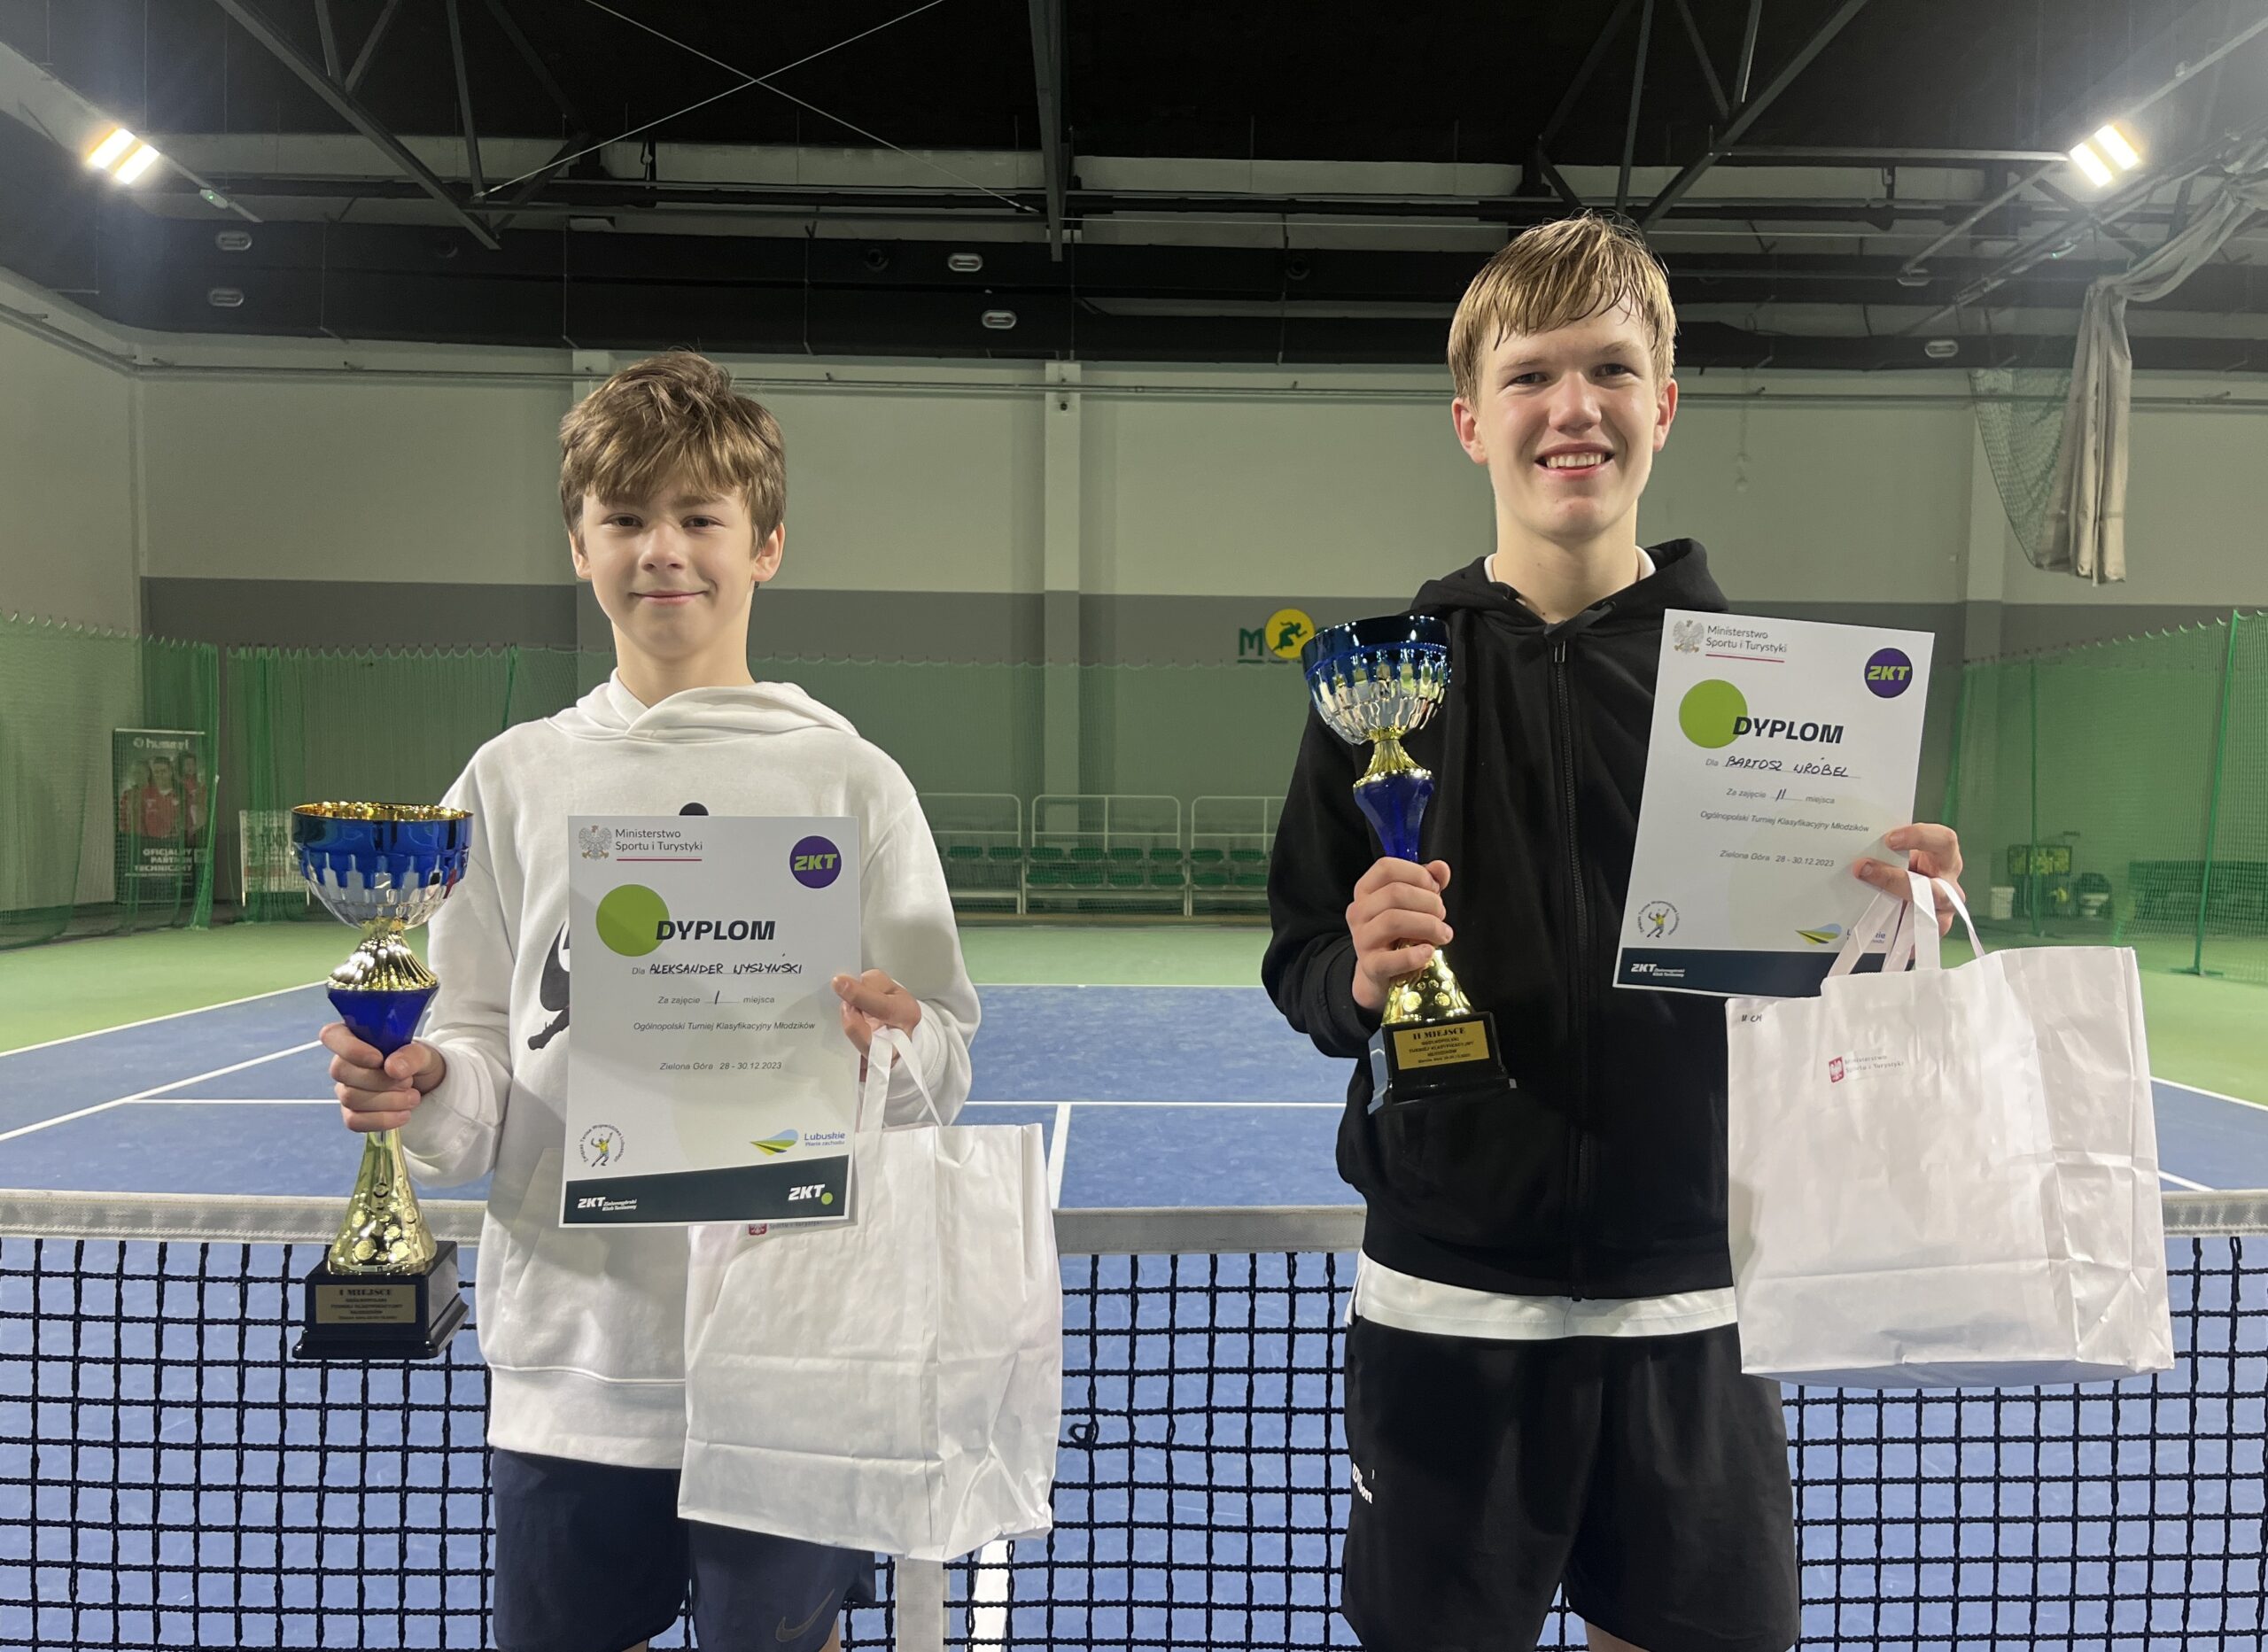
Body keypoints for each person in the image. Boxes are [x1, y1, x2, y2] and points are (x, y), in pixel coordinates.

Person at [1262, 214, 1964, 1652]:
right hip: (1448, 1305)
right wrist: (1360, 972)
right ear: (1472, 420)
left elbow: (1830, 1013)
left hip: (1695, 1306)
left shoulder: (1785, 703)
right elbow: (1300, 962)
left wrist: (1896, 918)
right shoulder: (1380, 687)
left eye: (1611, 370)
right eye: (1530, 375)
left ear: (1665, 404)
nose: (1572, 406)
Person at [318, 351, 980, 1652]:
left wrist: (895, 1042)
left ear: (766, 544)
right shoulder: (507, 781)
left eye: (699, 517)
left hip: (792, 1362)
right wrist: (428, 1089)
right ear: (580, 546)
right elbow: (475, 1056)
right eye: (624, 518)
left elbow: (944, 1060)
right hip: (574, 1362)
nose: (662, 549)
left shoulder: (854, 781)